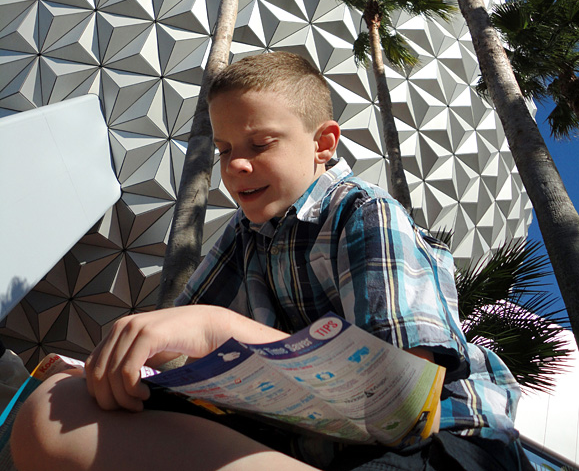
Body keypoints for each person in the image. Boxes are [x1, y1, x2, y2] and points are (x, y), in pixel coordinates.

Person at [11, 52, 528, 471]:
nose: (236, 164)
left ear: (324, 143)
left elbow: (400, 404)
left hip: (443, 447)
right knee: (62, 407)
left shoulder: (364, 214)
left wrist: (216, 327)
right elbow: (176, 354)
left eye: (260, 144)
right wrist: (127, 371)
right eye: (224, 148)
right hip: (308, 444)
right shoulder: (243, 238)